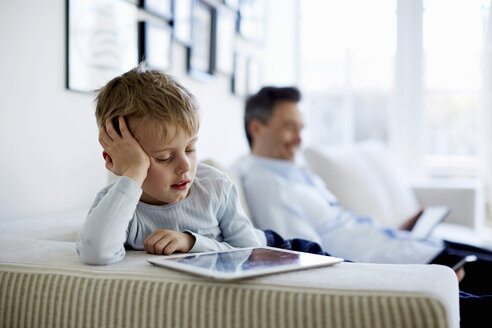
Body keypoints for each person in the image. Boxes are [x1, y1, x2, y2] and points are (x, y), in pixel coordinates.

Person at [232, 86, 492, 327]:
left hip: (407, 247)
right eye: (290, 127)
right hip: (406, 263)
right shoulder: (264, 181)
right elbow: (307, 254)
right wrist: (416, 278)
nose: (299, 138)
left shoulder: (294, 171)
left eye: (301, 127)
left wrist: (397, 231)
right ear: (256, 128)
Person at [76, 66, 329, 266]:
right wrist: (133, 174)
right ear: (117, 160)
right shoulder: (119, 206)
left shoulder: (216, 187)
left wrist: (191, 242)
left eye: (190, 149)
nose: (185, 166)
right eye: (164, 157)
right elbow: (96, 251)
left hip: (277, 244)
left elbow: (251, 252)